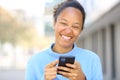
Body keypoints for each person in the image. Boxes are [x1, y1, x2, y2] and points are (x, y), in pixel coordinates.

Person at [25, 0, 103, 80]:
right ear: (54, 23)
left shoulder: (92, 60)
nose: (68, 31)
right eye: (64, 23)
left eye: (75, 26)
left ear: (80, 31)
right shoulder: (34, 62)